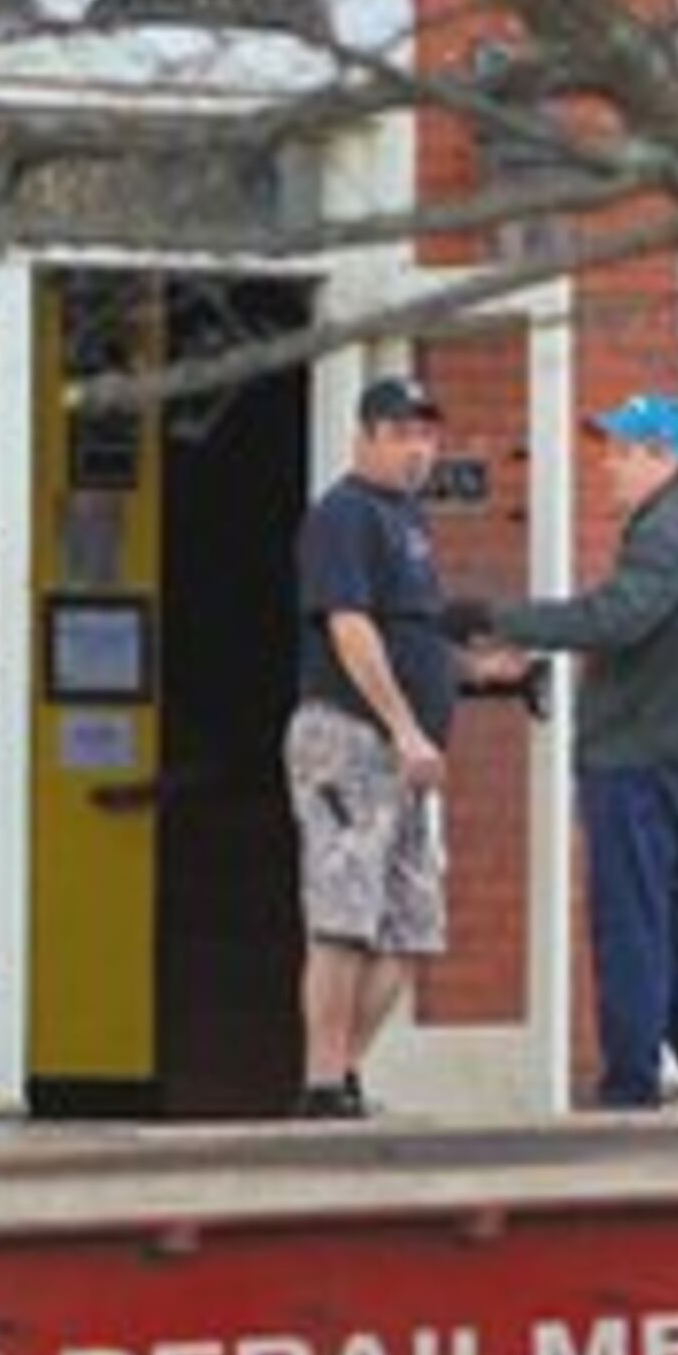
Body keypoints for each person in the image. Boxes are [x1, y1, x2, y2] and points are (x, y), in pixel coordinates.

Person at [456, 393, 678, 1109]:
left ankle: (629, 1096)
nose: (607, 465)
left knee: (632, 929)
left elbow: (617, 618)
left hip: (640, 761)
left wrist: (494, 616)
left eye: (621, 450)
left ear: (663, 456)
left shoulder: (664, 531)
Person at [284, 373, 460, 1119]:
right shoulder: (344, 514)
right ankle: (322, 1081)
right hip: (350, 737)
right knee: (344, 915)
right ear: (365, 437)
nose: (418, 449)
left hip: (407, 755)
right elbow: (349, 625)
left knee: (410, 923)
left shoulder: (409, 520)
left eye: (427, 434)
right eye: (401, 434)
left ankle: (347, 1072)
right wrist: (404, 725)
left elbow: (412, 633)